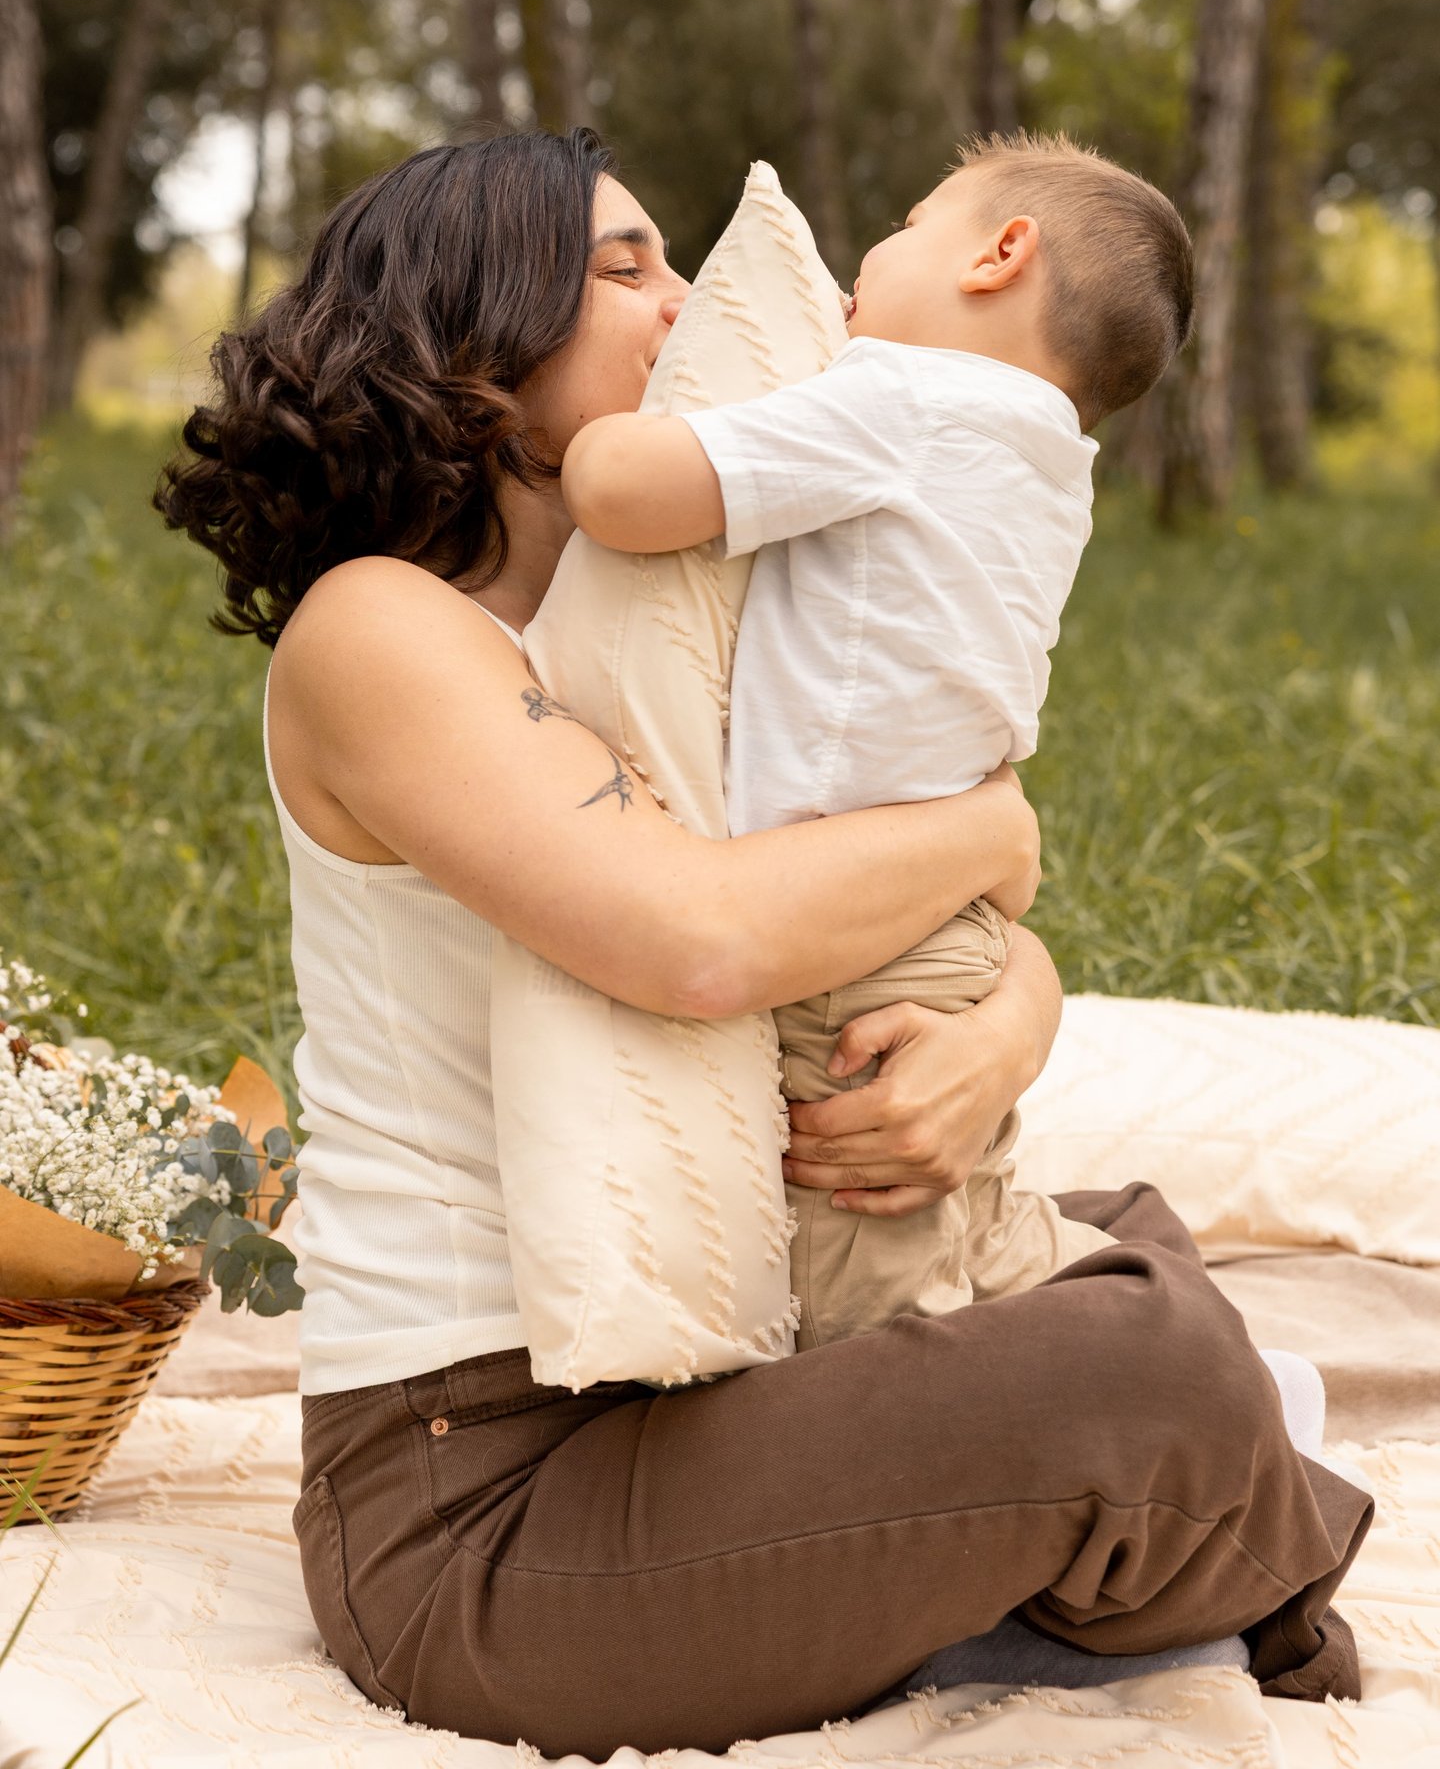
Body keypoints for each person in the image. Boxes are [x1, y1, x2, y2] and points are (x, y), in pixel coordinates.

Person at [156, 129, 1371, 1761]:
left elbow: (911, 928)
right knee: (1146, 1371)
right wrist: (1001, 831)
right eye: (628, 265)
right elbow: (704, 943)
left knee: (1111, 1234)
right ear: (473, 329)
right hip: (489, 1505)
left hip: (715, 1364)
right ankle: (1237, 1551)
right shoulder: (380, 629)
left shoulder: (666, 636)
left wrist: (999, 1034)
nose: (684, 304)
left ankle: (1036, 1538)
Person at [559, 134, 1188, 1352]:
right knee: (983, 1221)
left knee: (866, 1289)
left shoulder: (905, 397)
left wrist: (612, 436)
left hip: (846, 941)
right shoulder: (1053, 457)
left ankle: (986, 1454)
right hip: (943, 923)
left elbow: (632, 495)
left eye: (905, 225)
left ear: (1002, 256)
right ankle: (1165, 1372)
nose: (865, 262)